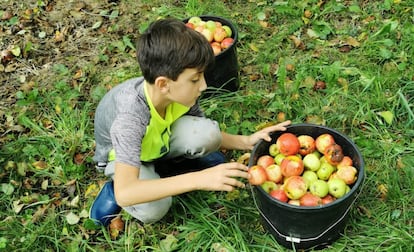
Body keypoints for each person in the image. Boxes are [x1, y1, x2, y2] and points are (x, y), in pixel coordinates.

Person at [89, 18, 290, 226]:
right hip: (128, 160)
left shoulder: (179, 94)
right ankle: (114, 186)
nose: (203, 85)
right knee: (154, 208)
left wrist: (246, 141)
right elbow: (127, 192)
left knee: (208, 134)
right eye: (195, 79)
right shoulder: (129, 117)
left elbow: (201, 129)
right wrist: (199, 180)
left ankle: (167, 169)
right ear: (164, 84)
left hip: (157, 141)